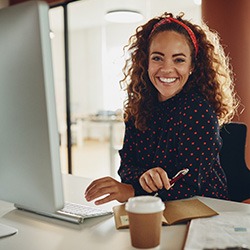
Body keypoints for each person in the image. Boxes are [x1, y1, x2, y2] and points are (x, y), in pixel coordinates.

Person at [85, 12, 239, 205]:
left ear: (193, 65)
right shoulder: (138, 107)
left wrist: (134, 190)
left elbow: (190, 185)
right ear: (146, 62)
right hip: (155, 207)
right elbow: (126, 167)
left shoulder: (199, 110)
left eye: (179, 60)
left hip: (203, 209)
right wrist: (143, 177)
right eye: (157, 58)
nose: (167, 69)